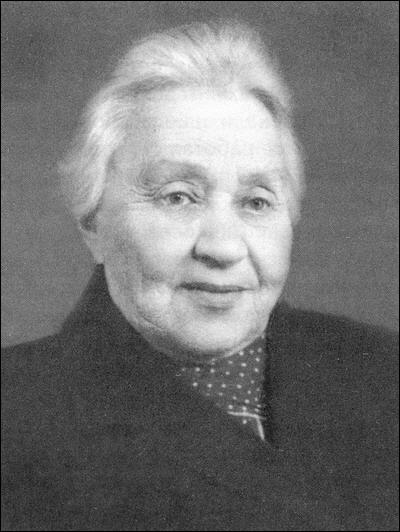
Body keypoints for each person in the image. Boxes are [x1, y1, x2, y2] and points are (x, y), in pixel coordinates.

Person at [2, 20, 398, 531]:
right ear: (92, 221)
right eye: (178, 197)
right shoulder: (16, 413)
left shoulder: (383, 374)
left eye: (257, 202)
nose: (223, 247)